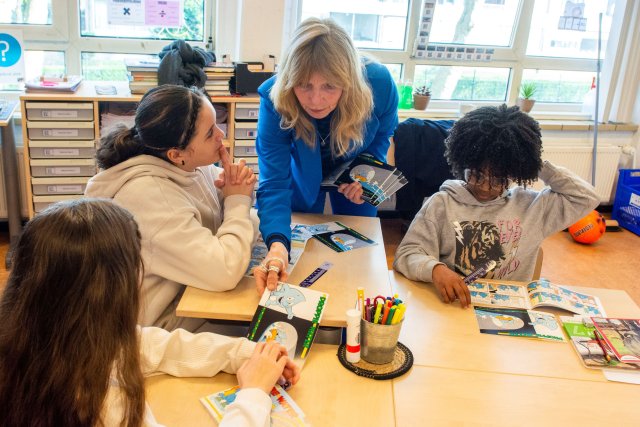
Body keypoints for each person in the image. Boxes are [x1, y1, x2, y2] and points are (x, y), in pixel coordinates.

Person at [0, 199, 300, 427]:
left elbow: (151, 345)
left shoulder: (44, 333)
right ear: (112, 290)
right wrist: (254, 394)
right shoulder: (106, 406)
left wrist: (242, 353)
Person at [85, 84, 257, 331]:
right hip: (157, 326)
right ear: (177, 154)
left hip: (188, 294)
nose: (220, 134)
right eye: (210, 133)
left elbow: (244, 218)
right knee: (269, 331)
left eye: (216, 123)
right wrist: (238, 201)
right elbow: (225, 270)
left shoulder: (190, 165)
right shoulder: (151, 197)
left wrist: (235, 194)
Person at [393, 104, 599, 308]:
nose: (484, 186)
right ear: (463, 163)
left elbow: (586, 198)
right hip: (454, 307)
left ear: (513, 174)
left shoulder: (534, 207)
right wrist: (435, 269)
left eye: (498, 179)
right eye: (476, 174)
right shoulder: (441, 204)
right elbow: (407, 253)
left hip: (509, 311)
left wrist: (534, 164)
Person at [254, 17, 399, 293]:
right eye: (304, 85)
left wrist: (366, 174)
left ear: (349, 82)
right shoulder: (274, 99)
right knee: (298, 253)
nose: (315, 100)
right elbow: (274, 182)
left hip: (353, 164)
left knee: (358, 265)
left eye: (330, 86)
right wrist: (276, 245)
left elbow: (383, 133)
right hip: (302, 176)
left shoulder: (379, 84)